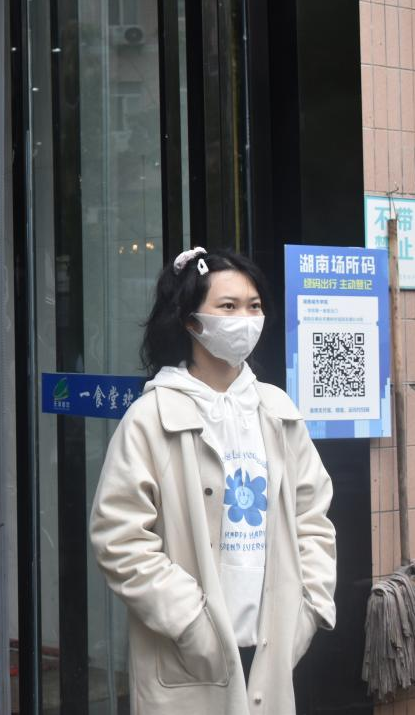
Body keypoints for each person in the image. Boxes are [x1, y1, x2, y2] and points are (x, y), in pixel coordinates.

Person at [89, 246, 336, 714]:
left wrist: (310, 608)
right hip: (187, 654)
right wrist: (191, 624)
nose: (245, 319)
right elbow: (119, 538)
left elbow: (313, 516)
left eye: (254, 306)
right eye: (228, 306)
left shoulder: (278, 412)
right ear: (191, 321)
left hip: (271, 647)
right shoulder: (150, 418)